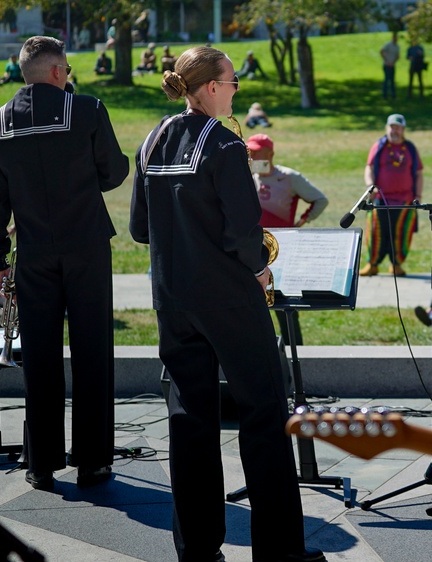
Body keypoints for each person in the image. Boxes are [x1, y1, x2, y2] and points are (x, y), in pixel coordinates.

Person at [129, 45, 324, 562]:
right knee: (265, 415)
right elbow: (244, 234)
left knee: (189, 421)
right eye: (233, 81)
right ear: (212, 87)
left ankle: (196, 548)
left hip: (172, 299)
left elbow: (138, 230)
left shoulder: (150, 140)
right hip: (230, 300)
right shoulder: (225, 145)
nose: (237, 89)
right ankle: (280, 551)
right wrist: (261, 269)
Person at [0, 36, 128, 492]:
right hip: (86, 246)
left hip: (34, 252)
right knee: (92, 352)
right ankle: (93, 462)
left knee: (39, 357)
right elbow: (114, 173)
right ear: (59, 72)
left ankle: (40, 462)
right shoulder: (86, 109)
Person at [359, 113, 424, 277]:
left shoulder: (410, 149)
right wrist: (370, 186)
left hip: (405, 200)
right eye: (392, 127)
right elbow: (369, 168)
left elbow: (419, 173)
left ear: (403, 130)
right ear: (387, 128)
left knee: (401, 232)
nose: (395, 131)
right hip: (381, 199)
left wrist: (418, 195)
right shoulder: (379, 146)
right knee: (377, 232)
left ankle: (396, 264)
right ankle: (372, 264)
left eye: (398, 128)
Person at [247, 133, 328, 228]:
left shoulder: (289, 177)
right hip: (255, 239)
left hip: (282, 238)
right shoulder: (248, 178)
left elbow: (321, 200)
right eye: (249, 152)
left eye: (256, 152)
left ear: (270, 154)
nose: (251, 157)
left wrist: (300, 223)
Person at [380, 31, 400, 100]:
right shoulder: (388, 44)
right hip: (386, 65)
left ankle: (393, 95)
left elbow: (397, 56)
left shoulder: (397, 46)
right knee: (386, 80)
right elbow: (381, 51)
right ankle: (384, 95)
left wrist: (393, 62)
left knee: (392, 81)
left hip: (392, 65)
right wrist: (387, 61)